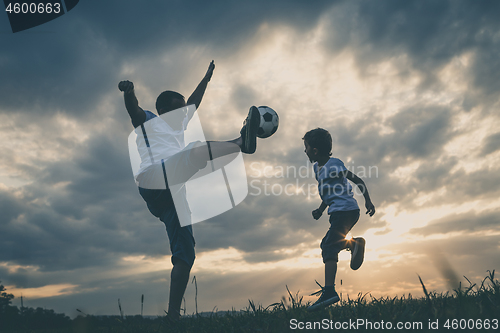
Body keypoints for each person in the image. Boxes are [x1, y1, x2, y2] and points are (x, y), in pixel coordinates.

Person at [118, 61, 260, 320]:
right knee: (194, 150)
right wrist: (129, 92)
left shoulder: (179, 127)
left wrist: (205, 79)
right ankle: (242, 143)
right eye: (178, 108)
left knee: (185, 253)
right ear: (163, 110)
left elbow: (194, 103)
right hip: (154, 180)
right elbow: (134, 110)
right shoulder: (149, 120)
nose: (185, 113)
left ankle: (173, 316)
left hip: (173, 193)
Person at [302, 128, 375, 311]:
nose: (305, 151)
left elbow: (357, 180)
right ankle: (353, 244)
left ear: (315, 150)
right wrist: (320, 210)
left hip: (347, 211)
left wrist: (368, 201)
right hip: (337, 212)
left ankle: (329, 292)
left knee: (329, 246)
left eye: (307, 147)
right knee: (326, 244)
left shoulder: (334, 164)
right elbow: (329, 194)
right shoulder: (316, 168)